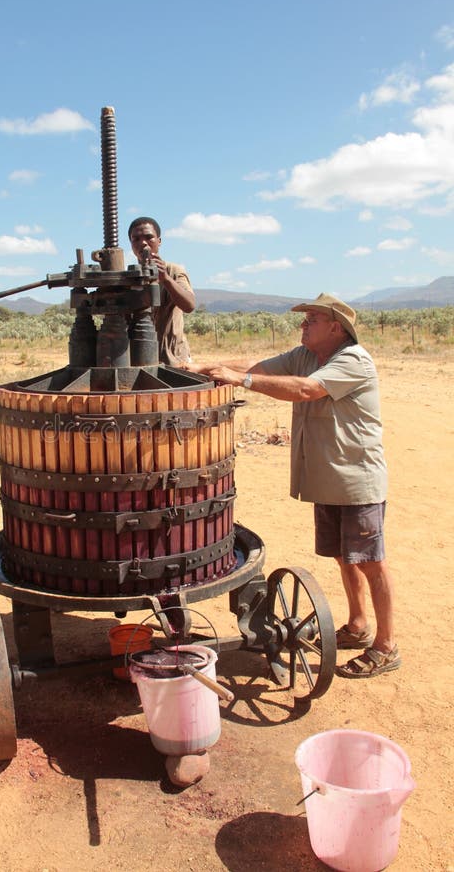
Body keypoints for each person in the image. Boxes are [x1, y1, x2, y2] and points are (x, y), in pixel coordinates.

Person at [187, 293, 399, 679]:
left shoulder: (352, 359)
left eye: (312, 319)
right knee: (342, 556)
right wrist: (197, 368)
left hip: (356, 479)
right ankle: (357, 625)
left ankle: (385, 645)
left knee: (370, 561)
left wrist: (242, 380)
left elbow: (305, 390)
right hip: (327, 477)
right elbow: (254, 365)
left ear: (336, 327)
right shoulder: (305, 355)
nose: (303, 324)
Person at [128, 216, 195, 365]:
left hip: (173, 358)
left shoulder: (173, 271)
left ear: (159, 241)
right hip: (138, 358)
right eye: (136, 239)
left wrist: (166, 279)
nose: (143, 243)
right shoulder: (128, 278)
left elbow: (189, 305)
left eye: (149, 237)